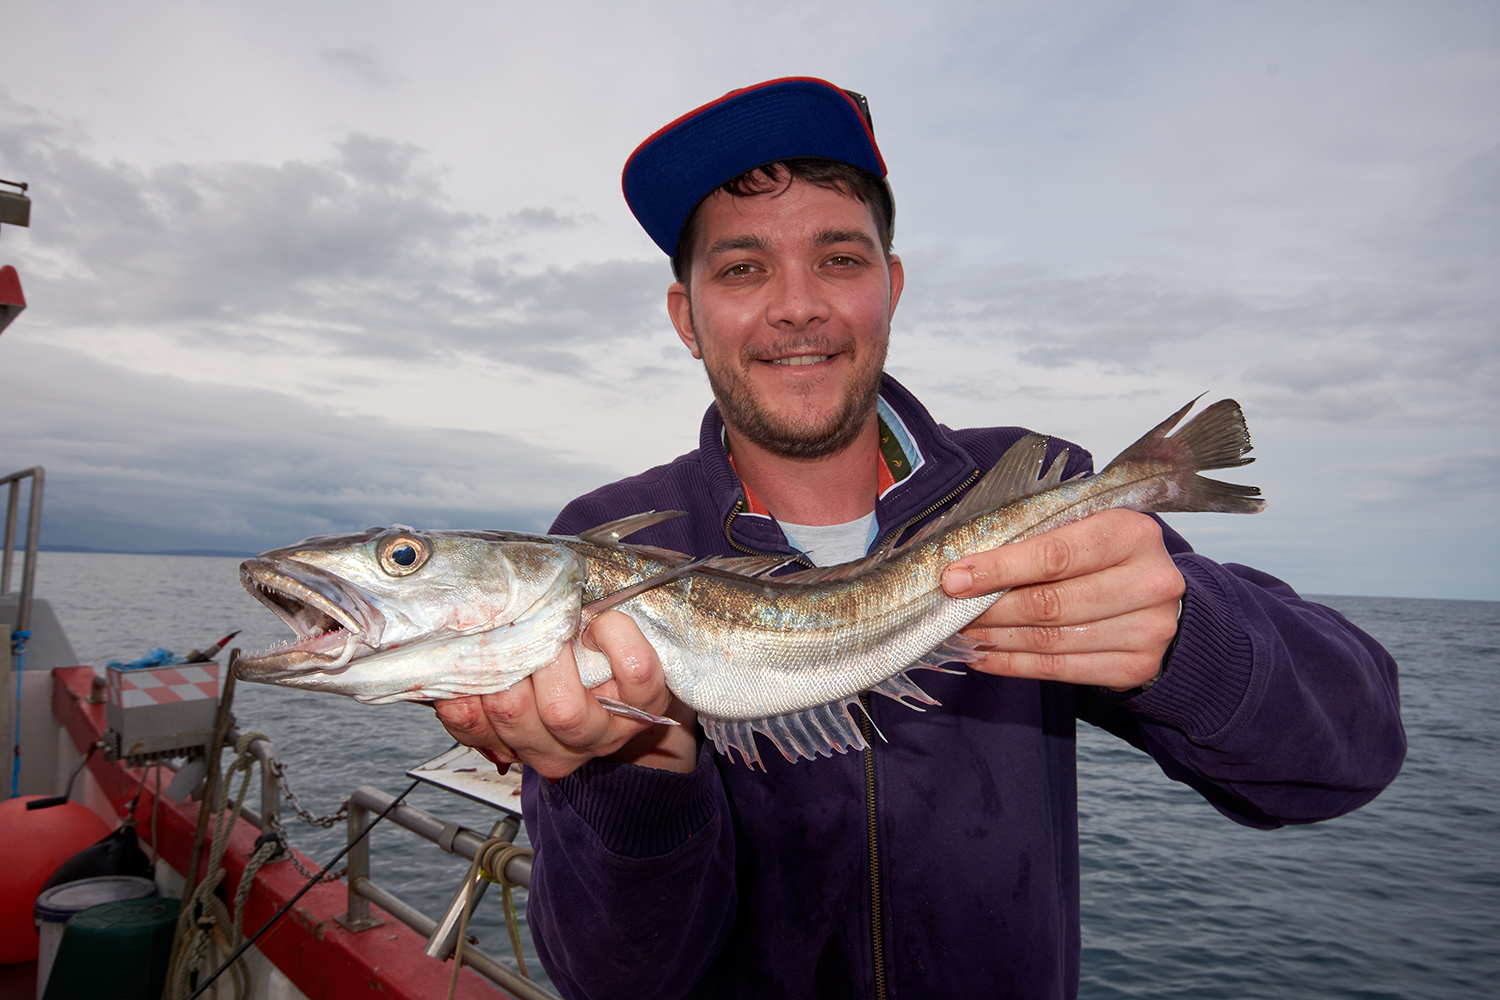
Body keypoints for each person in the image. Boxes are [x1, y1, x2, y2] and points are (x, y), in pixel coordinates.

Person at [436, 78, 1404, 999]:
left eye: (841, 258)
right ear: (687, 316)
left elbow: (1348, 758)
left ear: (890, 286)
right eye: (741, 267)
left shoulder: (1036, 486)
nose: (798, 304)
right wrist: (636, 776)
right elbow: (616, 980)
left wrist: (1195, 639)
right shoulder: (608, 552)